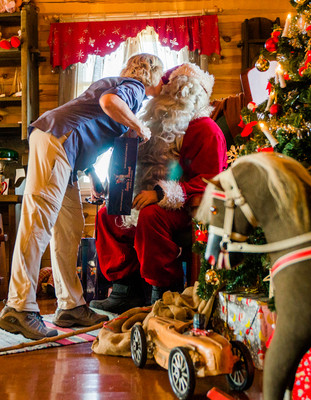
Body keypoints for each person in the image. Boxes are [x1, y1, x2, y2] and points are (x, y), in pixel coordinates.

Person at [0, 53, 165, 340]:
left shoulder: (121, 85)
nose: (162, 83)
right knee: (38, 222)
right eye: (161, 77)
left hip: (66, 153)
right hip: (56, 141)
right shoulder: (133, 87)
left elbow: (91, 128)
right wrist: (139, 126)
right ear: (150, 73)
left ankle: (70, 305)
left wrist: (94, 177)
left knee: (69, 227)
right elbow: (108, 104)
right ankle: (19, 306)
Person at [90, 63, 228, 314]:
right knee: (108, 214)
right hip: (145, 197)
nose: (177, 96)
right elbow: (132, 165)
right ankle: (125, 289)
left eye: (184, 90)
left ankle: (163, 290)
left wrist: (162, 194)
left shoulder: (206, 129)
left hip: (188, 208)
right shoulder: (150, 128)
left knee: (150, 216)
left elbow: (211, 179)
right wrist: (116, 189)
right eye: (172, 90)